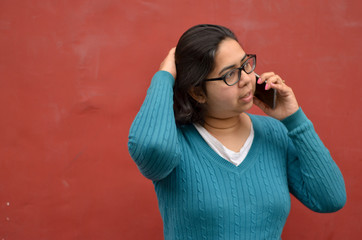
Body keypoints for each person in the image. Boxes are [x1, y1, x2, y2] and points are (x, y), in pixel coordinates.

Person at [128, 24, 346, 239]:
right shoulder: (175, 143)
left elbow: (330, 198)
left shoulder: (274, 133)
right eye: (230, 75)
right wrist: (165, 75)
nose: (246, 80)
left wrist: (294, 119)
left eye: (245, 65)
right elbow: (151, 148)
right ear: (198, 92)